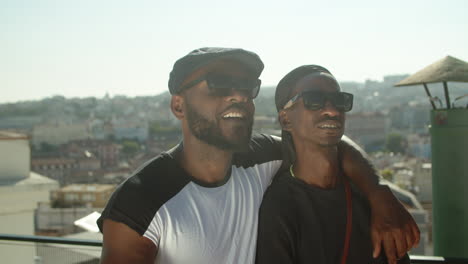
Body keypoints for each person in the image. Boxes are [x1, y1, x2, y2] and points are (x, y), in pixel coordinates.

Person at [97, 48, 419, 264]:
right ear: (179, 105)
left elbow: (332, 143)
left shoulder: (259, 158)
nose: (237, 94)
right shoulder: (140, 202)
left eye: (247, 86)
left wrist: (380, 195)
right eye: (220, 84)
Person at [255, 65, 413, 264]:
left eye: (340, 101)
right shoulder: (279, 207)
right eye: (314, 100)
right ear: (285, 120)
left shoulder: (372, 199)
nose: (331, 110)